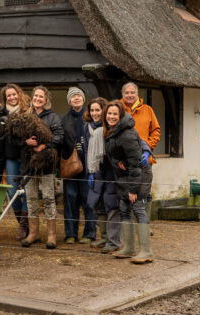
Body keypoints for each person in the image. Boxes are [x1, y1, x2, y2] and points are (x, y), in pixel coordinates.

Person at [103, 101, 153, 264]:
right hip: (124, 176)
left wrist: (133, 190)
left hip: (137, 177)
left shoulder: (127, 134)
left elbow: (135, 164)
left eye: (115, 114)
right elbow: (116, 157)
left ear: (121, 116)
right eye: (109, 114)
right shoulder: (113, 132)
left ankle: (146, 251)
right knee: (124, 209)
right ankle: (129, 248)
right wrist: (117, 163)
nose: (111, 116)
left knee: (138, 209)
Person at [22, 85, 63, 249]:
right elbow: (16, 137)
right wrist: (26, 142)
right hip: (28, 165)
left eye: (41, 96)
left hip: (46, 164)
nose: (38, 99)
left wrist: (44, 146)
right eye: (36, 96)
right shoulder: (25, 116)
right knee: (31, 199)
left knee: (48, 198)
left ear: (46, 99)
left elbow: (60, 136)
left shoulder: (53, 117)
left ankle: (51, 235)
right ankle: (33, 233)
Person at [83, 97, 121, 253]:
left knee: (111, 203)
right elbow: (86, 150)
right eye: (92, 110)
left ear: (104, 111)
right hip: (96, 169)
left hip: (110, 171)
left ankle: (114, 242)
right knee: (98, 205)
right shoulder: (87, 128)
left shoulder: (110, 127)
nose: (94, 113)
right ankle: (104, 238)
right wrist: (90, 172)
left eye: (98, 110)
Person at [61, 87, 96, 244]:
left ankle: (89, 234)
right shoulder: (64, 119)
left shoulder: (90, 116)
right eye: (73, 97)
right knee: (70, 199)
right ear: (69, 101)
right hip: (71, 165)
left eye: (79, 96)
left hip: (88, 165)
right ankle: (70, 234)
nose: (76, 98)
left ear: (83, 99)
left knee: (88, 200)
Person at [0, 84, 31, 240]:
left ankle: (25, 226)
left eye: (14, 94)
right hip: (11, 157)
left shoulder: (28, 111)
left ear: (19, 94)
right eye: (8, 96)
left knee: (26, 191)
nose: (12, 98)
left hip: (27, 156)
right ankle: (21, 222)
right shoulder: (2, 114)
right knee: (12, 192)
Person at [121, 82, 161, 152]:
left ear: (137, 94)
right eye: (126, 93)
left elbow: (156, 130)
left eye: (132, 93)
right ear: (122, 95)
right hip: (122, 152)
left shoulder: (147, 109)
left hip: (143, 151)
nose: (129, 95)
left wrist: (148, 146)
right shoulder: (117, 109)